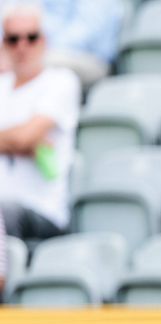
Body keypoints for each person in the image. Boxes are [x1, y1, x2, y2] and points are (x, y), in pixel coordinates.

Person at [0, 2, 80, 239]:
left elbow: (26, 137)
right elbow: (23, 139)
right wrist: (16, 142)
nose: (22, 46)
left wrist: (23, 141)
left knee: (4, 214)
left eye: (31, 37)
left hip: (42, 211)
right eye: (13, 39)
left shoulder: (61, 81)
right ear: (4, 44)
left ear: (44, 40)